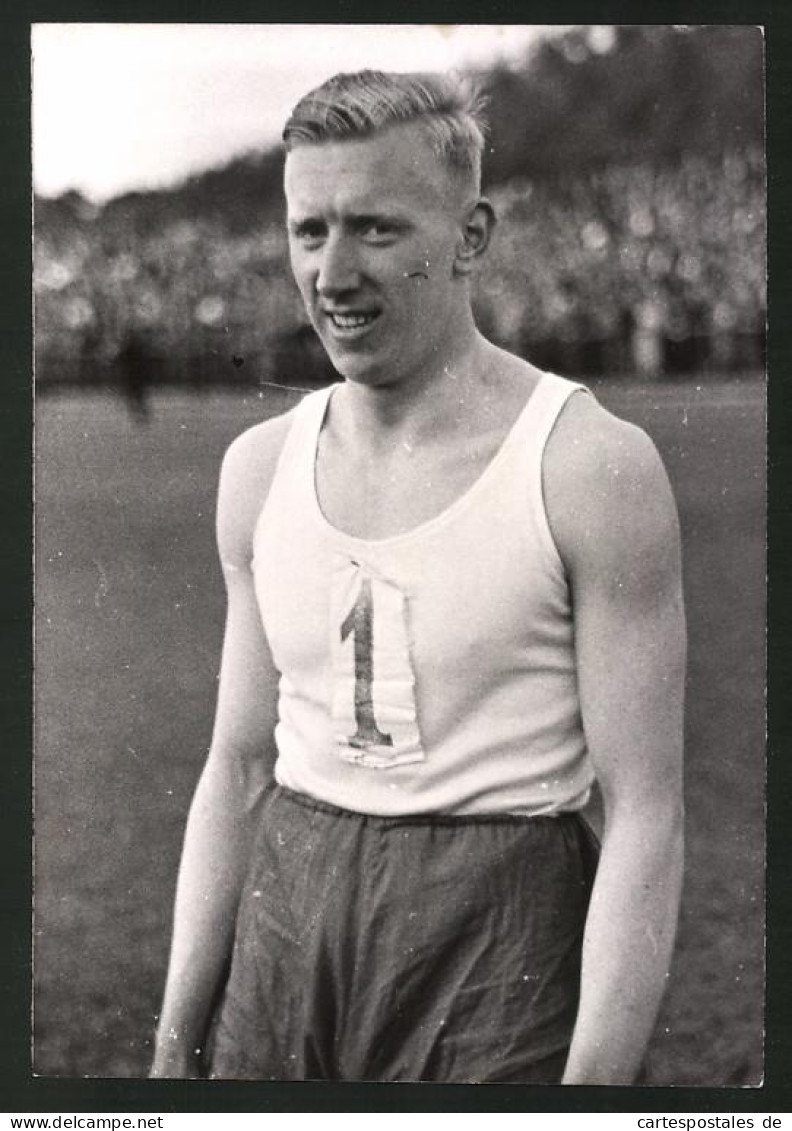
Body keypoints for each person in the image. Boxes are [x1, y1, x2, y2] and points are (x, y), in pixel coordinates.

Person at [150, 70, 685, 1085]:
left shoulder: (584, 466)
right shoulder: (259, 468)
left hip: (499, 933)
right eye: (310, 231)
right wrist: (176, 1048)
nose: (333, 271)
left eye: (377, 230)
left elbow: (647, 812)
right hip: (289, 918)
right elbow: (237, 769)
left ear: (471, 237)